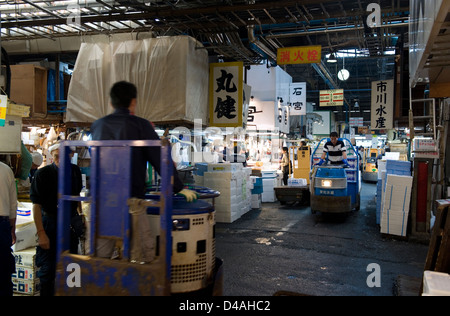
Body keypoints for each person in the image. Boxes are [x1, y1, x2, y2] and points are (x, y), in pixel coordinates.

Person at [90, 81, 196, 201]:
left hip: (101, 199)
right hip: (131, 199)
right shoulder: (141, 125)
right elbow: (160, 159)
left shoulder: (97, 126)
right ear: (133, 101)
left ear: (111, 103)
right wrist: (178, 187)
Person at [30, 143, 83, 296]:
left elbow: (77, 196)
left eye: (64, 156)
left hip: (70, 223)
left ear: (71, 155)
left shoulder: (75, 171)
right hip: (50, 224)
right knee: (48, 270)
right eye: (56, 156)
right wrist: (41, 233)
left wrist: (80, 216)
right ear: (52, 157)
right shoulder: (42, 174)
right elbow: (36, 206)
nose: (60, 160)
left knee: (72, 266)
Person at [0, 160, 17, 296]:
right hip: (3, 226)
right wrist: (12, 230)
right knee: (3, 271)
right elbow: (13, 206)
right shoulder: (6, 170)